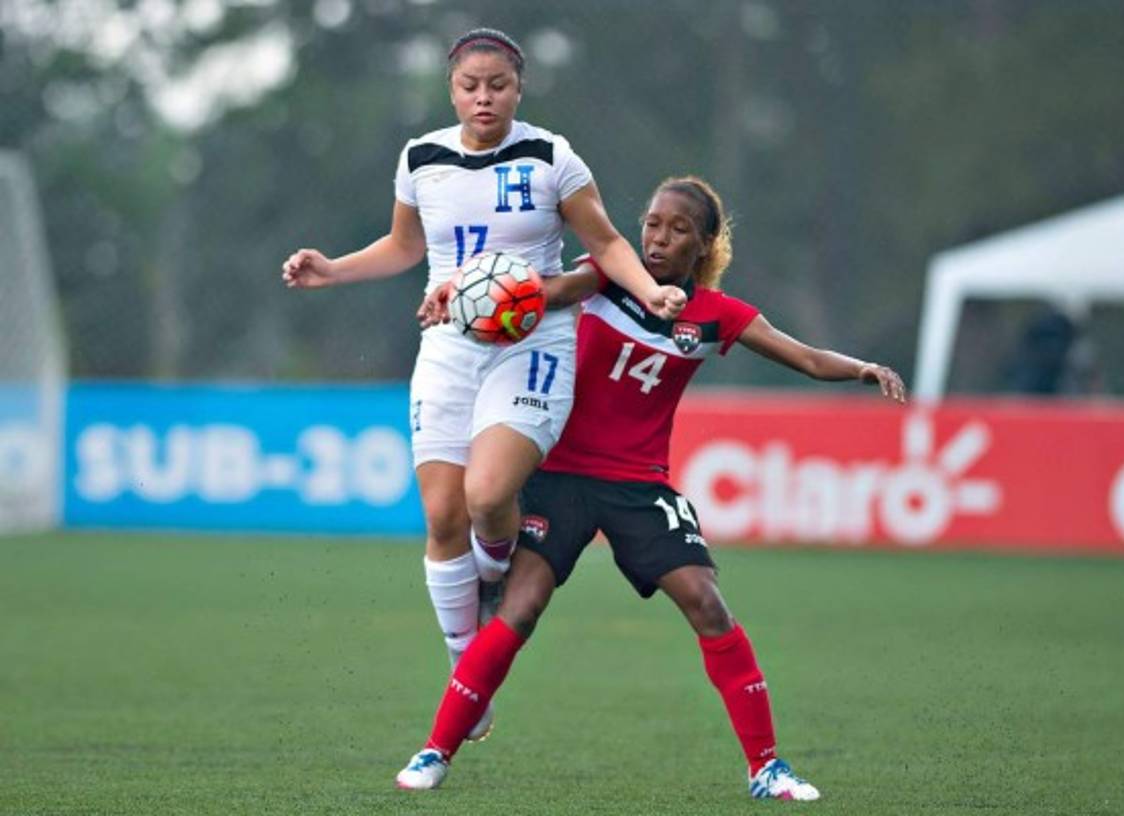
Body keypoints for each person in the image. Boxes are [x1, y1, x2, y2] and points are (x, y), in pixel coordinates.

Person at [398, 176, 907, 799]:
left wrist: (862, 368)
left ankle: (768, 767)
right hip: (560, 475)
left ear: (706, 244)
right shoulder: (610, 275)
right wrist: (468, 294)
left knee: (707, 603)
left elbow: (800, 356)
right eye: (653, 223)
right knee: (520, 607)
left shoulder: (716, 316)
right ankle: (435, 752)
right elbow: (548, 292)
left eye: (678, 229)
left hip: (640, 484)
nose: (658, 238)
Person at [281, 28, 687, 741]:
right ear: (451, 90)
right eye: (470, 85)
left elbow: (608, 245)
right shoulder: (421, 160)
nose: (483, 97)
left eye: (497, 84)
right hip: (448, 345)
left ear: (518, 88)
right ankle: (465, 666)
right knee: (442, 517)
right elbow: (408, 247)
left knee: (489, 495)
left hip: (533, 345)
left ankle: (493, 572)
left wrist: (650, 290)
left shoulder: (551, 157)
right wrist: (333, 268)